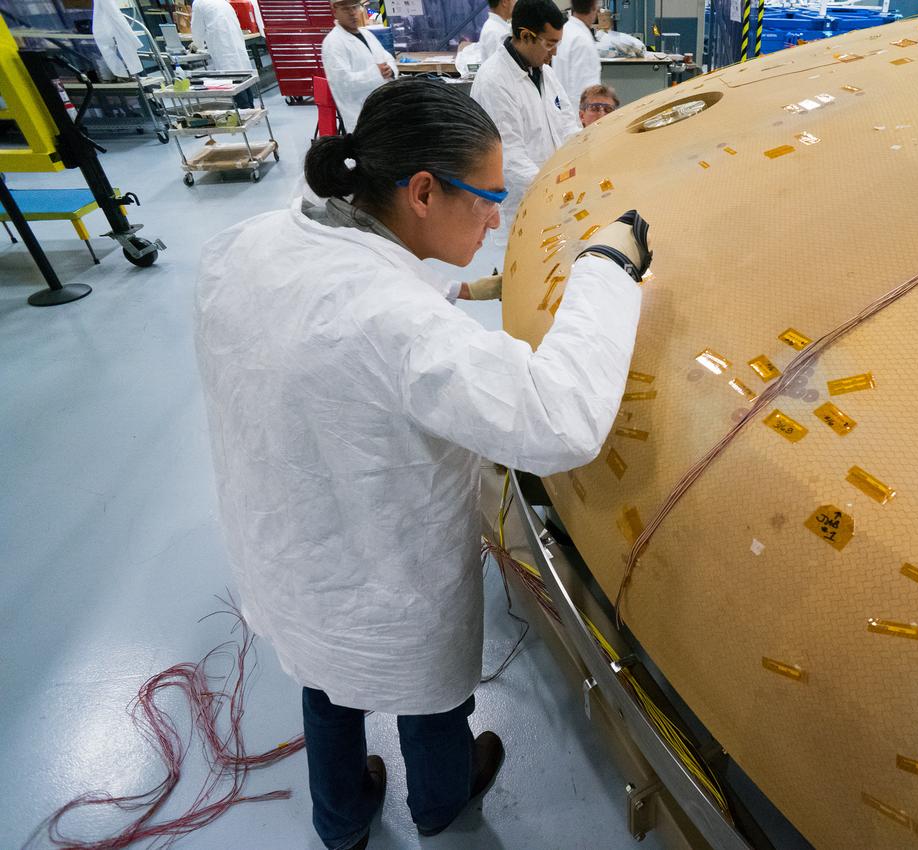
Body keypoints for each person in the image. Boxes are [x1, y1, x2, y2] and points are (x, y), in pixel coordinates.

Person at [194, 77, 653, 850]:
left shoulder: (251, 244)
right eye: (485, 198)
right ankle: (440, 801)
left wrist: (459, 293)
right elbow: (558, 416)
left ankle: (339, 820)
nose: (495, 218)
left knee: (325, 681)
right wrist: (607, 264)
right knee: (428, 691)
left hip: (287, 545)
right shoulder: (394, 323)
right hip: (385, 566)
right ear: (421, 191)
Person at [470, 0, 580, 245]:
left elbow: (567, 125)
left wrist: (583, 159)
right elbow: (509, 158)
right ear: (525, 36)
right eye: (550, 44)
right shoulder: (494, 81)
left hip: (554, 202)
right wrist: (557, 188)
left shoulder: (545, 73)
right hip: (519, 209)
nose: (555, 53)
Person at [321, 0, 398, 130]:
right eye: (346, 9)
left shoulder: (367, 34)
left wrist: (390, 69)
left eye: (355, 7)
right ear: (335, 11)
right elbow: (344, 83)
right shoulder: (333, 43)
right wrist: (376, 73)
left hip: (383, 109)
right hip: (360, 116)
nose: (352, 13)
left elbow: (386, 57)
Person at [189, 0, 255, 108]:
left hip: (222, 46)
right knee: (243, 74)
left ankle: (244, 108)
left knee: (232, 77)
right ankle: (250, 106)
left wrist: (197, 44)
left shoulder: (199, 3)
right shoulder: (222, 1)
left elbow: (197, 28)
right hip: (235, 41)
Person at [554, 0, 602, 105]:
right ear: (594, 6)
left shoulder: (565, 31)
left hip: (562, 108)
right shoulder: (582, 40)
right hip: (577, 115)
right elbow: (587, 92)